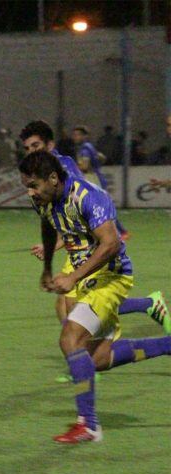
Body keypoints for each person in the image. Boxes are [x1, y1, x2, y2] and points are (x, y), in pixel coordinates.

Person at [18, 151, 170, 443]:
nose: (30, 192)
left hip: (111, 278)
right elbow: (51, 229)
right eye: (27, 185)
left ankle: (88, 425)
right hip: (90, 280)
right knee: (95, 359)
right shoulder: (43, 199)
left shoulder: (87, 196)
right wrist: (48, 268)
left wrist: (73, 277)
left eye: (34, 185)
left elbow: (111, 243)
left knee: (69, 339)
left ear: (52, 178)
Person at [21, 121, 169, 340]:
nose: (31, 152)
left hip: (90, 242)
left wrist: (64, 245)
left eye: (35, 146)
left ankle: (89, 354)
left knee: (75, 309)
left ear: (50, 144)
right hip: (78, 243)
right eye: (27, 148)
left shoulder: (63, 167)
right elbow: (55, 217)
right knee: (71, 308)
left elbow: (77, 206)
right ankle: (87, 352)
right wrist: (52, 246)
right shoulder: (36, 183)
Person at [72, 126, 129, 239]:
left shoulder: (84, 149)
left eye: (78, 134)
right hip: (96, 178)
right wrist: (96, 165)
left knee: (92, 207)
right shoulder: (89, 147)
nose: (75, 137)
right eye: (74, 134)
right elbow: (102, 157)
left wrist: (72, 166)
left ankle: (120, 232)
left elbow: (84, 166)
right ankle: (118, 231)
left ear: (85, 136)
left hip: (92, 180)